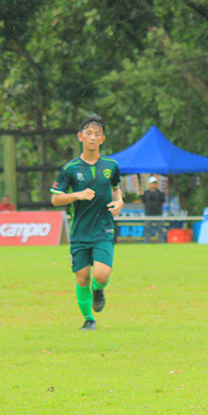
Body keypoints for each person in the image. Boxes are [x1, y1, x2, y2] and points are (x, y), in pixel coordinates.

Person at [49, 114, 124, 330]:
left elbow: (117, 189)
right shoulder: (71, 168)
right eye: (88, 133)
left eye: (97, 134)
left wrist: (120, 202)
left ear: (103, 139)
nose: (93, 137)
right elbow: (55, 198)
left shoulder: (112, 165)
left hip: (104, 228)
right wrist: (76, 195)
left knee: (101, 274)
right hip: (80, 231)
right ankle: (88, 319)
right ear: (80, 137)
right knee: (82, 276)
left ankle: (98, 289)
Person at [141, 175, 166, 243]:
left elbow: (162, 201)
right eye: (152, 183)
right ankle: (146, 242)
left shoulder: (160, 193)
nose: (153, 184)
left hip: (158, 213)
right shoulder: (146, 193)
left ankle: (161, 241)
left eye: (155, 183)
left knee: (160, 228)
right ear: (149, 184)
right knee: (147, 228)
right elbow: (144, 201)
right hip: (148, 214)